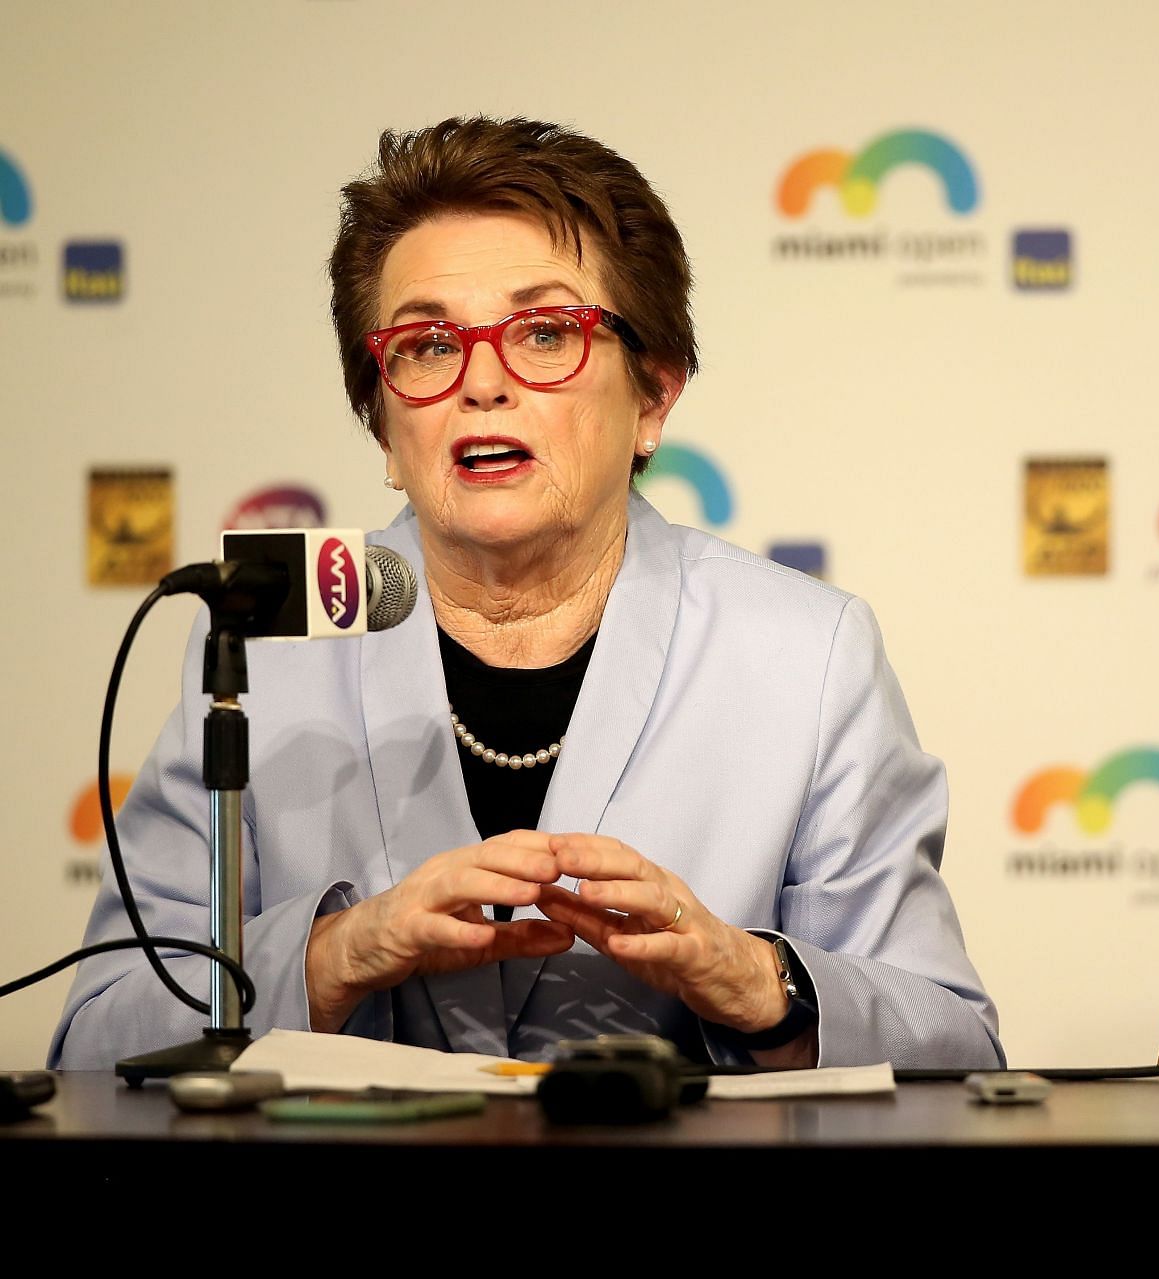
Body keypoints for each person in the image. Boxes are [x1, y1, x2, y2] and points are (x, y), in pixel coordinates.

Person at [52, 117, 1002, 1071]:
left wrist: (759, 982)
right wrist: (333, 957)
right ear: (382, 426)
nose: (482, 384)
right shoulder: (261, 651)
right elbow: (97, 1040)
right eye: (427, 346)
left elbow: (957, 1049)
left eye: (544, 333)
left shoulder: (805, 653)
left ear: (655, 394)